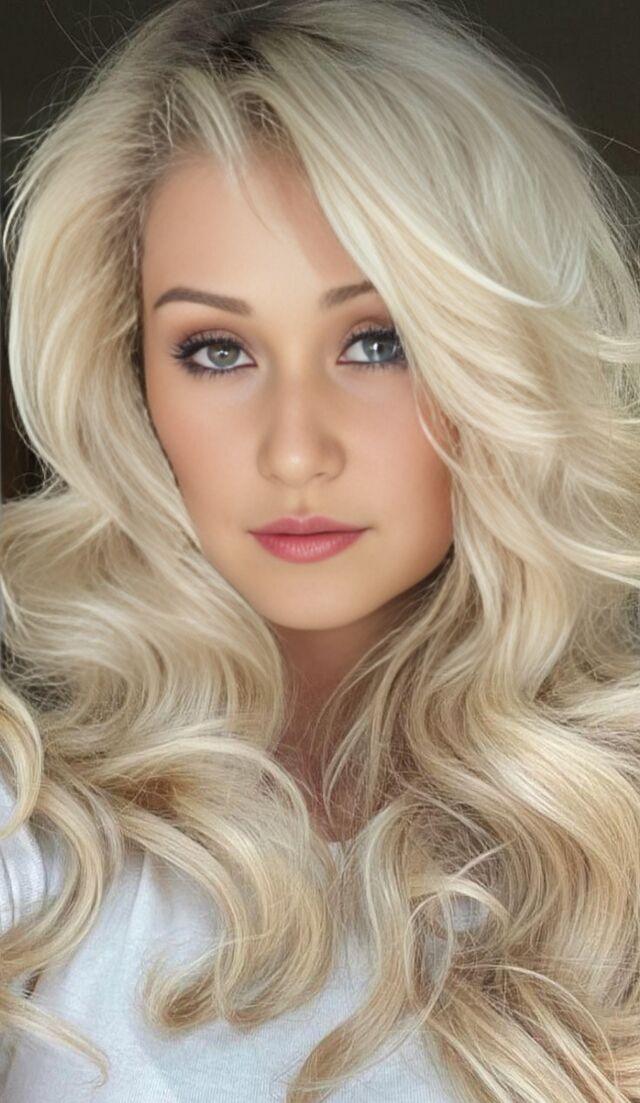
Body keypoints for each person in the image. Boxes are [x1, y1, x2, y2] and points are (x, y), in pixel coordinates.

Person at [1, 1, 639, 1100]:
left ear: (500, 360)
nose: (296, 449)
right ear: (130, 378)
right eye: (216, 350)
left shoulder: (606, 841)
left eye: (376, 341)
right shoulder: (36, 843)